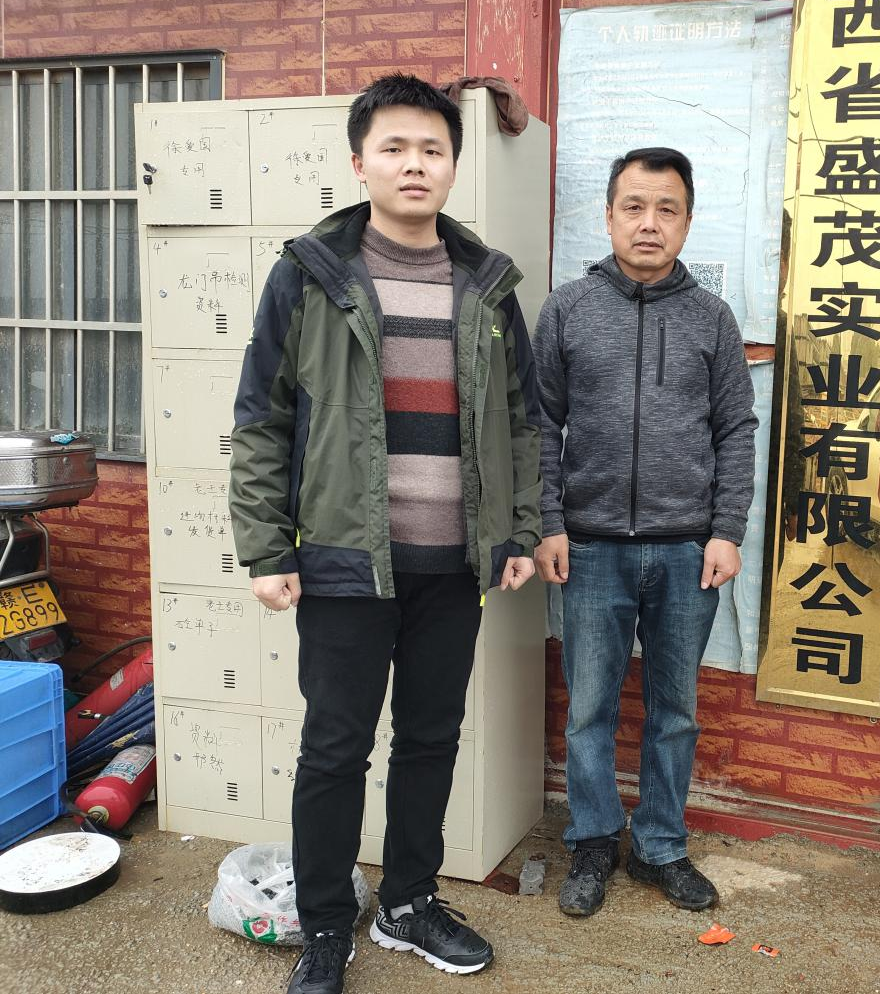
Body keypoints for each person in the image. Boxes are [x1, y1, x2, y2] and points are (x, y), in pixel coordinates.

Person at [229, 73, 541, 994]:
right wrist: (266, 547)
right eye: (394, 147)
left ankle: (408, 901)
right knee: (335, 748)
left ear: (453, 165)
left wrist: (518, 530)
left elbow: (522, 422)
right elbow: (262, 418)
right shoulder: (310, 277)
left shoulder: (487, 285)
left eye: (432, 149)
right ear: (359, 161)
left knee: (431, 738)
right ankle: (327, 922)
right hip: (343, 561)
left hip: (454, 565)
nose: (414, 164)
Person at [532, 147, 757, 918]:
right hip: (591, 548)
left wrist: (726, 529)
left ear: (687, 222)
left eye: (667, 209)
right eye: (634, 206)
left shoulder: (711, 318)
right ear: (609, 216)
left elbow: (735, 428)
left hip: (687, 550)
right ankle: (594, 840)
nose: (649, 223)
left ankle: (660, 844)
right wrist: (549, 522)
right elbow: (540, 424)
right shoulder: (568, 309)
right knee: (589, 708)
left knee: (675, 710)